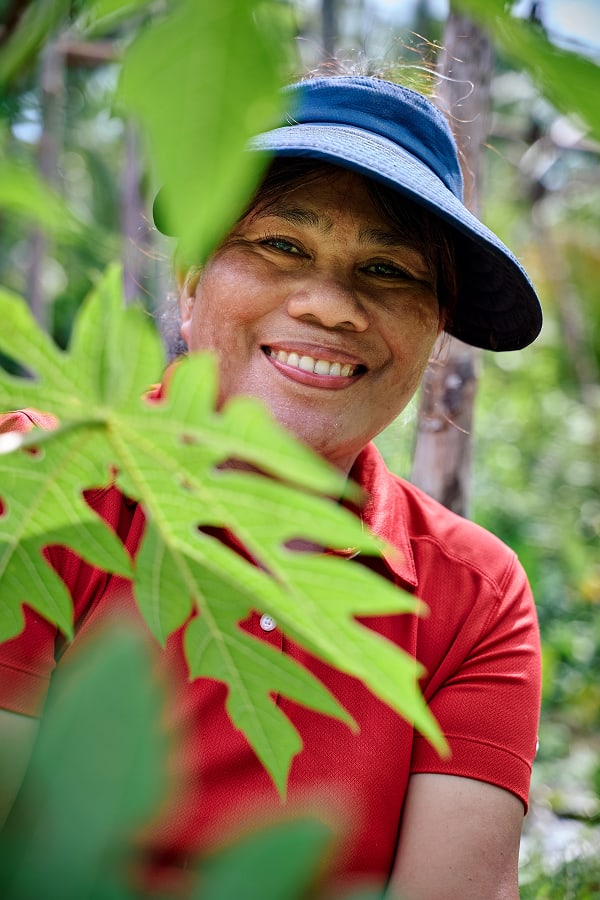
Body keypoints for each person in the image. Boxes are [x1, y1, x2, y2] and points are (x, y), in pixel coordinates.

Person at [0, 75, 542, 898]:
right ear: (190, 282)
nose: (330, 306)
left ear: (435, 333)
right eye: (283, 245)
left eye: (387, 268)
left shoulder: (474, 597)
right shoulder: (42, 483)